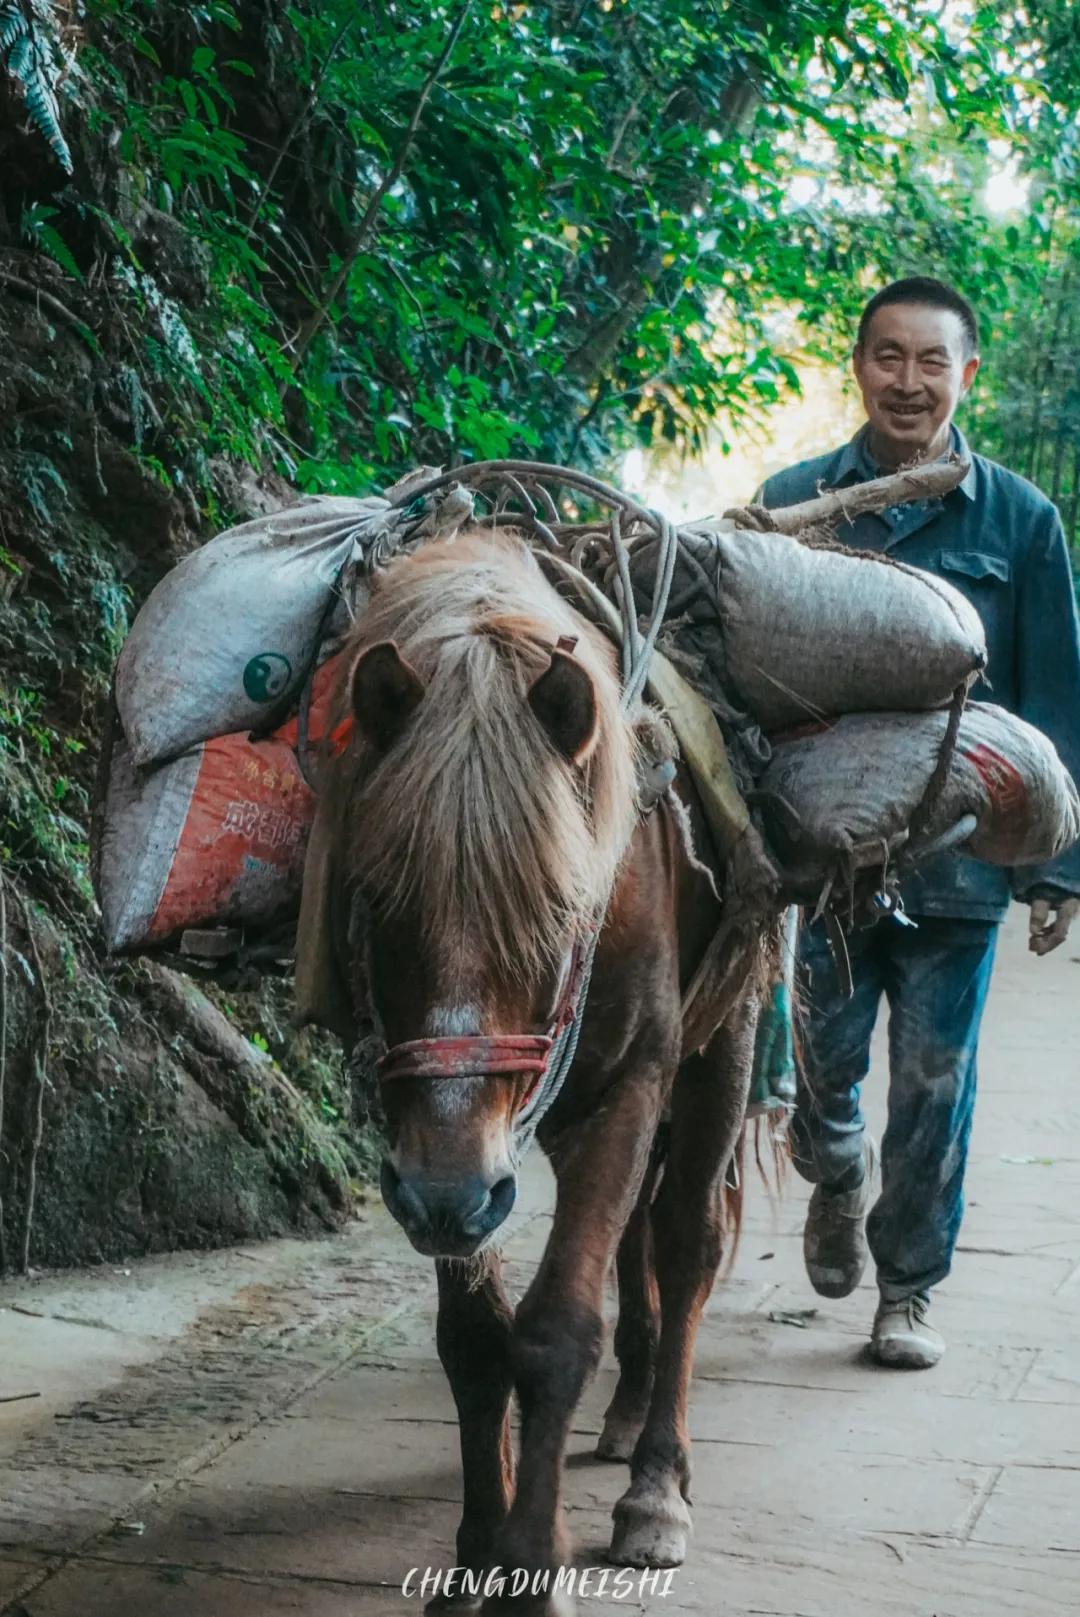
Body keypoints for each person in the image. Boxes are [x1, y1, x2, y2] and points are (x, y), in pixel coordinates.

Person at [756, 276, 1080, 1370]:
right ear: (859, 366)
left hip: (960, 866)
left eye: (931, 360)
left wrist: (1056, 871)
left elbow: (1056, 696)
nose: (909, 380)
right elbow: (750, 686)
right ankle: (833, 1171)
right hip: (827, 862)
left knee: (937, 1084)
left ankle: (907, 1292)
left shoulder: (1022, 522)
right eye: (889, 356)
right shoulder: (796, 502)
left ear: (965, 375)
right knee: (826, 1074)